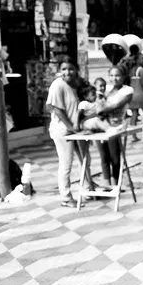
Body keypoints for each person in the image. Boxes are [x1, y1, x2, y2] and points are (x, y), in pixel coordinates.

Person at [45, 59, 92, 207]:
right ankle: (65, 197)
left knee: (84, 159)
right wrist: (71, 127)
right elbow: (57, 109)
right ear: (60, 70)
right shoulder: (57, 85)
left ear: (76, 70)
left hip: (75, 130)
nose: (67, 72)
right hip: (63, 131)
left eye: (71, 69)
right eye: (64, 69)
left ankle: (87, 189)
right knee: (66, 164)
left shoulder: (74, 85)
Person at [91, 67, 133, 187]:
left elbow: (117, 105)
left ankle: (116, 184)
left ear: (123, 77)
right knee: (104, 156)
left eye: (117, 75)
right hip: (101, 126)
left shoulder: (127, 90)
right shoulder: (106, 89)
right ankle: (107, 184)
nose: (114, 78)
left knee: (115, 157)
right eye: (112, 76)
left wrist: (100, 110)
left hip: (116, 127)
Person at [124, 43, 143, 141]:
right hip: (140, 94)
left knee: (134, 114)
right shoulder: (141, 70)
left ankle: (134, 136)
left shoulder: (128, 68)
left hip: (131, 94)